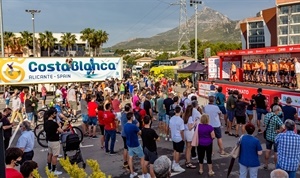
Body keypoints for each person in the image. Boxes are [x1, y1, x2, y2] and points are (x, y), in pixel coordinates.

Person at [263, 105, 285, 170]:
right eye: (280, 110)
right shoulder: (276, 117)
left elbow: (264, 124)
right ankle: (276, 166)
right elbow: (283, 126)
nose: (281, 111)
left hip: (268, 136)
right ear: (277, 110)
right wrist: (279, 131)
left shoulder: (267, 115)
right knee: (276, 152)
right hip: (276, 137)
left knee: (268, 150)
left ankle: (266, 164)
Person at [124, 112, 145, 178]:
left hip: (129, 144)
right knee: (142, 157)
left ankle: (132, 173)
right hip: (135, 144)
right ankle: (143, 173)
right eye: (133, 116)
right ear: (131, 117)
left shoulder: (125, 125)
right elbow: (140, 132)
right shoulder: (133, 126)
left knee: (130, 158)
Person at [44, 108, 64, 175]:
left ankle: (49, 168)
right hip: (55, 141)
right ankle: (54, 170)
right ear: (52, 115)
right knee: (55, 156)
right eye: (55, 114)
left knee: (50, 154)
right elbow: (61, 131)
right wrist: (60, 126)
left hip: (49, 140)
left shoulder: (46, 122)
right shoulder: (54, 123)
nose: (55, 115)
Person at [169, 106, 185, 172]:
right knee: (178, 151)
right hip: (179, 137)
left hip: (173, 136)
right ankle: (177, 165)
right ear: (180, 111)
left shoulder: (171, 118)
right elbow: (181, 131)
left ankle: (174, 163)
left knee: (175, 150)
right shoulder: (181, 120)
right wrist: (183, 138)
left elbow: (169, 128)